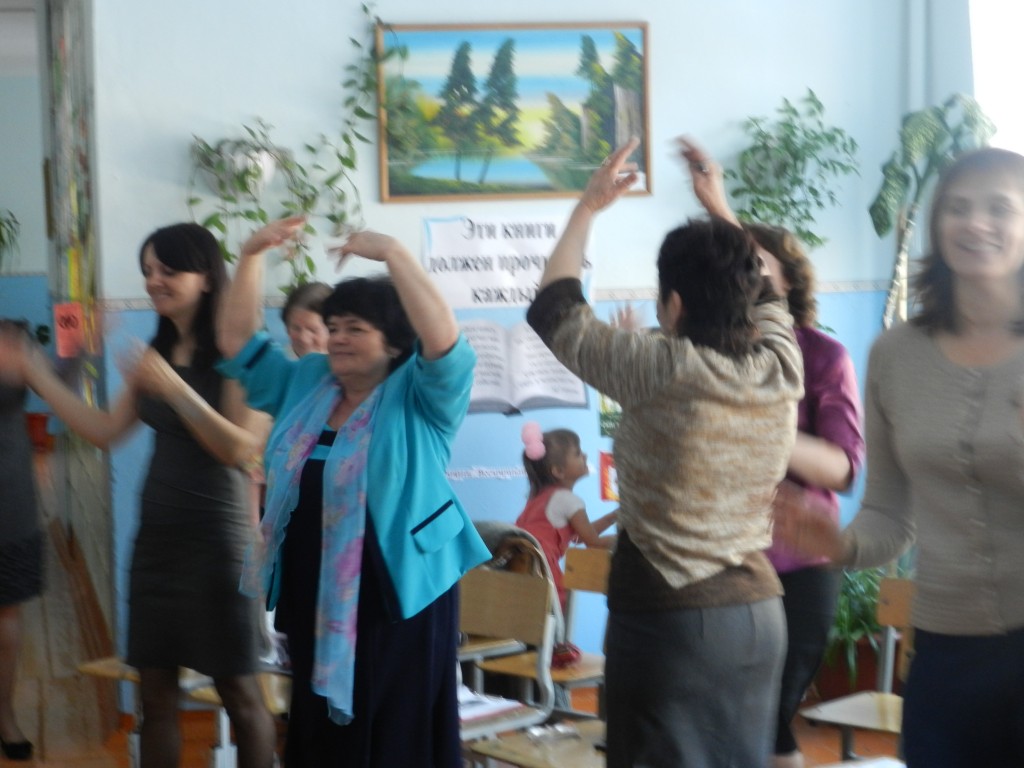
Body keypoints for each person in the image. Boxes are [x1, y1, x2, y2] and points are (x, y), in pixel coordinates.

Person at [526, 137, 804, 767]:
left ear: (672, 304)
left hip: (672, 619)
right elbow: (767, 294)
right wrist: (720, 206)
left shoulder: (660, 365)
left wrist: (588, 208)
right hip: (760, 616)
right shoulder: (780, 363)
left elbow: (554, 305)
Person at [774, 146, 1024, 767]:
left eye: (1000, 208)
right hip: (945, 650)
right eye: (958, 207)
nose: (976, 223)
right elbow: (890, 511)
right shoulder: (895, 354)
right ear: (937, 224)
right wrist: (838, 544)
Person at [216, 219, 491, 766]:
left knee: (391, 729)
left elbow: (445, 341)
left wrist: (392, 252)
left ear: (394, 342)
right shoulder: (308, 380)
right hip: (311, 589)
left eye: (355, 328)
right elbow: (237, 344)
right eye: (334, 326)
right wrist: (250, 256)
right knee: (321, 731)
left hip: (396, 594)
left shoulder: (422, 394)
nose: (337, 338)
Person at [0, 225, 275, 768]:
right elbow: (103, 431)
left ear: (206, 277)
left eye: (168, 270)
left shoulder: (238, 350)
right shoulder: (160, 347)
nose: (153, 281)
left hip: (218, 544)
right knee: (155, 696)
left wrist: (173, 387)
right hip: (157, 544)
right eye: (148, 270)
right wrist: (34, 369)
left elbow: (240, 450)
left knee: (241, 694)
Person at [681, 138, 866, 768]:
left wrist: (764, 427)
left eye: (758, 266)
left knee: (769, 723)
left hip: (798, 567)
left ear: (787, 280)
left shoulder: (824, 356)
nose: (746, 276)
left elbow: (842, 468)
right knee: (723, 723)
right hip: (721, 564)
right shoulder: (707, 356)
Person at [0, 320, 43, 762]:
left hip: (8, 492)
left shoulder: (13, 336)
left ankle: (5, 714)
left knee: (7, 609)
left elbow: (59, 388)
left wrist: (78, 352)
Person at [515, 424, 616, 610]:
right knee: (559, 608)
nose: (585, 456)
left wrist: (613, 517)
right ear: (558, 471)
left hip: (521, 570)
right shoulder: (567, 500)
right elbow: (593, 542)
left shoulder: (539, 497)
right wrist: (628, 540)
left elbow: (578, 536)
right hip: (542, 571)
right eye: (577, 454)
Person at [281, 281, 331, 358]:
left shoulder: (346, 362)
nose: (303, 339)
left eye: (313, 330)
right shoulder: (278, 362)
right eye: (296, 328)